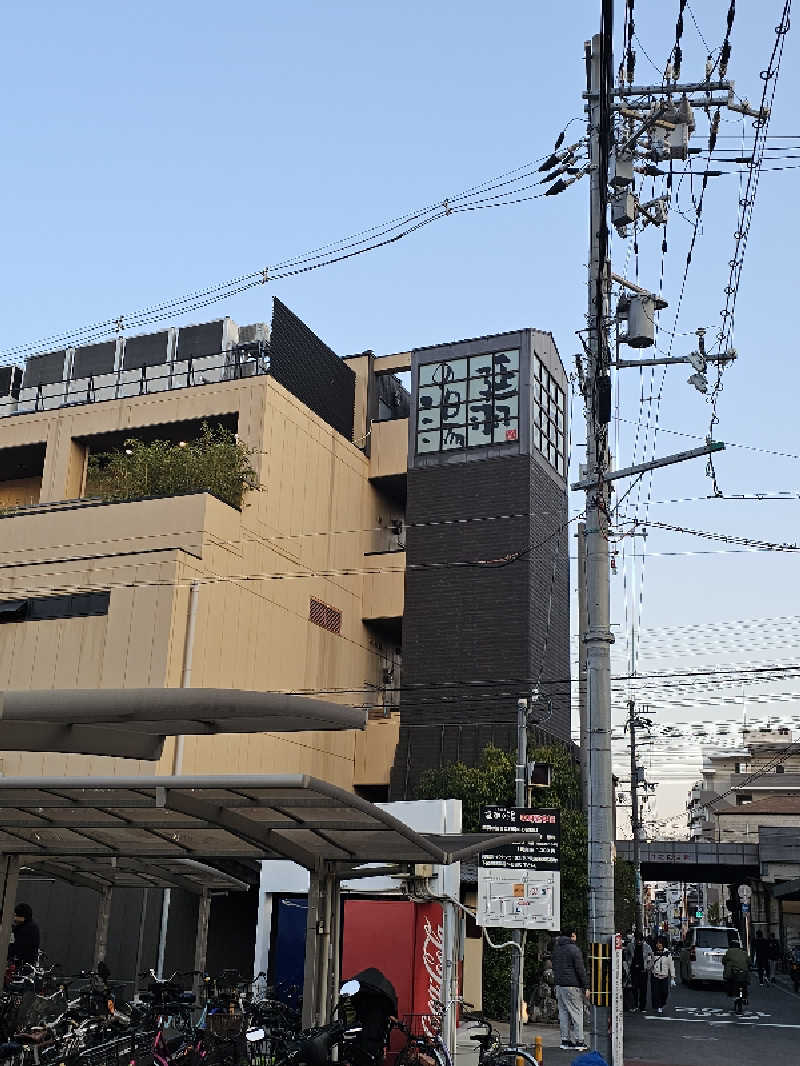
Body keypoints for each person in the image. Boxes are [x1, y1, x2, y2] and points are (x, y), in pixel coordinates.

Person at [551, 931, 590, 1053]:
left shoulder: (557, 948)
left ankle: (565, 1041)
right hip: (572, 985)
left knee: (563, 1013)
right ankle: (579, 1041)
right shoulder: (574, 949)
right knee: (577, 1012)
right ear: (572, 935)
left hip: (559, 984)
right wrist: (586, 986)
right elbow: (580, 969)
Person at [650, 940, 675, 1014]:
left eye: (660, 943)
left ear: (663, 944)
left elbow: (671, 965)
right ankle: (659, 1006)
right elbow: (649, 963)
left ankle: (662, 1003)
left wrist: (672, 978)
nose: (659, 945)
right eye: (657, 943)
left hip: (664, 976)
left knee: (664, 992)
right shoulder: (653, 953)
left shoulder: (668, 953)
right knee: (655, 993)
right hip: (655, 976)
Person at [723, 939, 750, 1008]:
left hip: (734, 973)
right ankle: (745, 997)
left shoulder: (729, 952)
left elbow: (724, 961)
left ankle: (733, 994)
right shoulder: (744, 952)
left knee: (731, 981)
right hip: (744, 973)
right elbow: (749, 962)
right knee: (745, 984)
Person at [630, 933, 653, 1012]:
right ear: (635, 940)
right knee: (634, 988)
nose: (639, 942)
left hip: (643, 971)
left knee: (643, 989)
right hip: (634, 971)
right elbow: (627, 955)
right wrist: (629, 964)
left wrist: (648, 967)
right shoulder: (631, 946)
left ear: (643, 940)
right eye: (637, 940)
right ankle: (635, 1005)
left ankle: (642, 1006)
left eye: (640, 940)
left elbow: (651, 958)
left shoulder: (647, 947)